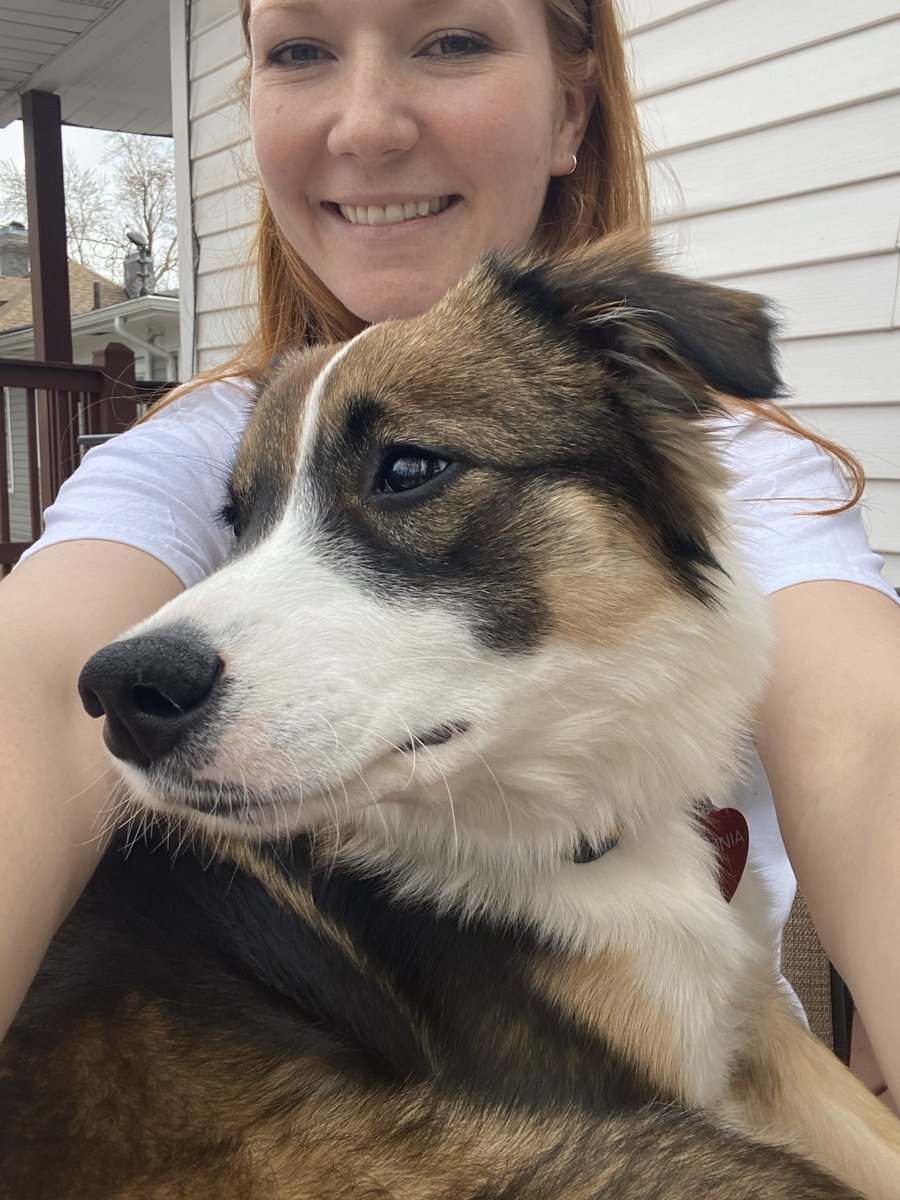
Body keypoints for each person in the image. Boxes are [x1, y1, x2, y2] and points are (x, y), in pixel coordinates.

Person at [2, 0, 899, 1102]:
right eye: (300, 51)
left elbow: (863, 740)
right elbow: (40, 691)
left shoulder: (689, 431)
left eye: (452, 39)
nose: (366, 124)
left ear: (572, 108)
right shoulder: (209, 433)